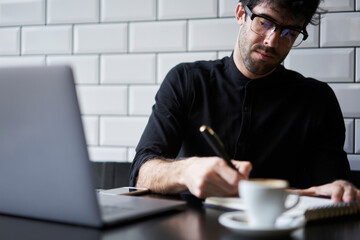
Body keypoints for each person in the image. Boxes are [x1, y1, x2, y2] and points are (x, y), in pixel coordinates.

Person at [129, 0, 360, 202]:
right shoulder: (186, 80)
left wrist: (340, 190)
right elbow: (141, 172)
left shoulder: (317, 100)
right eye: (265, 22)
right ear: (241, 14)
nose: (272, 41)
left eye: (289, 32)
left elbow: (331, 190)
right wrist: (186, 171)